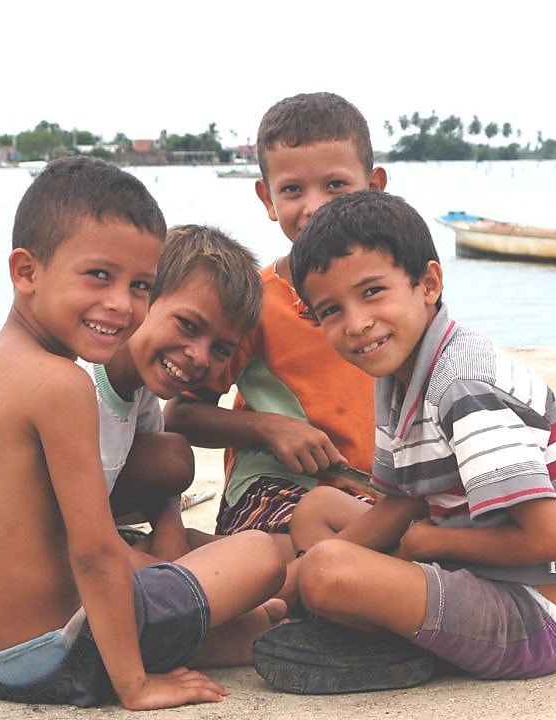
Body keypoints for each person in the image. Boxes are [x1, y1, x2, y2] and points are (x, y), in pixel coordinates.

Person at [0, 156, 285, 710]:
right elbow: (93, 554)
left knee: (252, 607)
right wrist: (135, 684)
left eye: (141, 285)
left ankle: (247, 631)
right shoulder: (62, 385)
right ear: (26, 271)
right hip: (47, 658)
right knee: (261, 558)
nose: (120, 304)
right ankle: (246, 635)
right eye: (98, 276)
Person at [254, 189, 556, 694]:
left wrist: (429, 542)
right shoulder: (401, 372)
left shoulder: (464, 388)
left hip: (537, 611)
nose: (357, 324)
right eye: (331, 309)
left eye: (372, 291)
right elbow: (403, 501)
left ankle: (390, 633)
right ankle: (333, 612)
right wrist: (283, 584)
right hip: (477, 567)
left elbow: (552, 540)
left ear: (428, 283)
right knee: (318, 511)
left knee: (330, 574)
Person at [0, 223, 262, 603]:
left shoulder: (137, 377)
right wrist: (166, 576)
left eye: (221, 350)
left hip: (20, 529)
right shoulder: (68, 384)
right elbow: (60, 540)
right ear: (141, 300)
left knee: (176, 467)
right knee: (241, 581)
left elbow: (159, 467)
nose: (199, 356)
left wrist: (169, 532)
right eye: (188, 325)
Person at [164, 92, 388, 559]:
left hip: (369, 494)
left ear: (375, 187)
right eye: (292, 191)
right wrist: (269, 430)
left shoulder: (396, 299)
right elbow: (181, 415)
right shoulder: (256, 302)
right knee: (297, 555)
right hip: (276, 495)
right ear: (267, 198)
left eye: (336, 186)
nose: (315, 208)